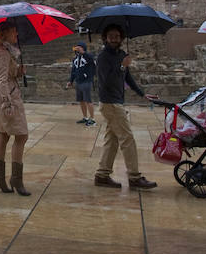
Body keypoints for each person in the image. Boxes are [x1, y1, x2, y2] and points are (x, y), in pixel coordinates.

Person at [94, 24, 158, 190]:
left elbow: (127, 78)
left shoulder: (122, 54)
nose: (114, 39)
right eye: (111, 36)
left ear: (121, 38)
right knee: (127, 138)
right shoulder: (103, 57)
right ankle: (134, 177)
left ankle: (102, 175)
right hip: (110, 102)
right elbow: (105, 80)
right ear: (105, 38)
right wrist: (122, 66)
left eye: (117, 36)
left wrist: (142, 93)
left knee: (112, 139)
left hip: (117, 101)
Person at [0, 21, 30, 196]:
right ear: (4, 34)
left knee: (3, 135)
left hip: (1, 96)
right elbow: (1, 80)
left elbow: (7, 76)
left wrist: (18, 72)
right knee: (21, 135)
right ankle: (16, 179)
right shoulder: (4, 54)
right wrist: (7, 102)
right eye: (13, 32)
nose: (16, 35)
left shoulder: (4, 52)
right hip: (6, 98)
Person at [67, 41, 96, 125]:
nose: (78, 49)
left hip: (86, 81)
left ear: (83, 48)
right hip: (78, 81)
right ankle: (85, 117)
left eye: (80, 47)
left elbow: (92, 62)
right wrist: (71, 81)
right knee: (81, 100)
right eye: (77, 47)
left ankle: (93, 119)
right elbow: (73, 71)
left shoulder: (88, 56)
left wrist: (84, 52)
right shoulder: (75, 59)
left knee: (88, 100)